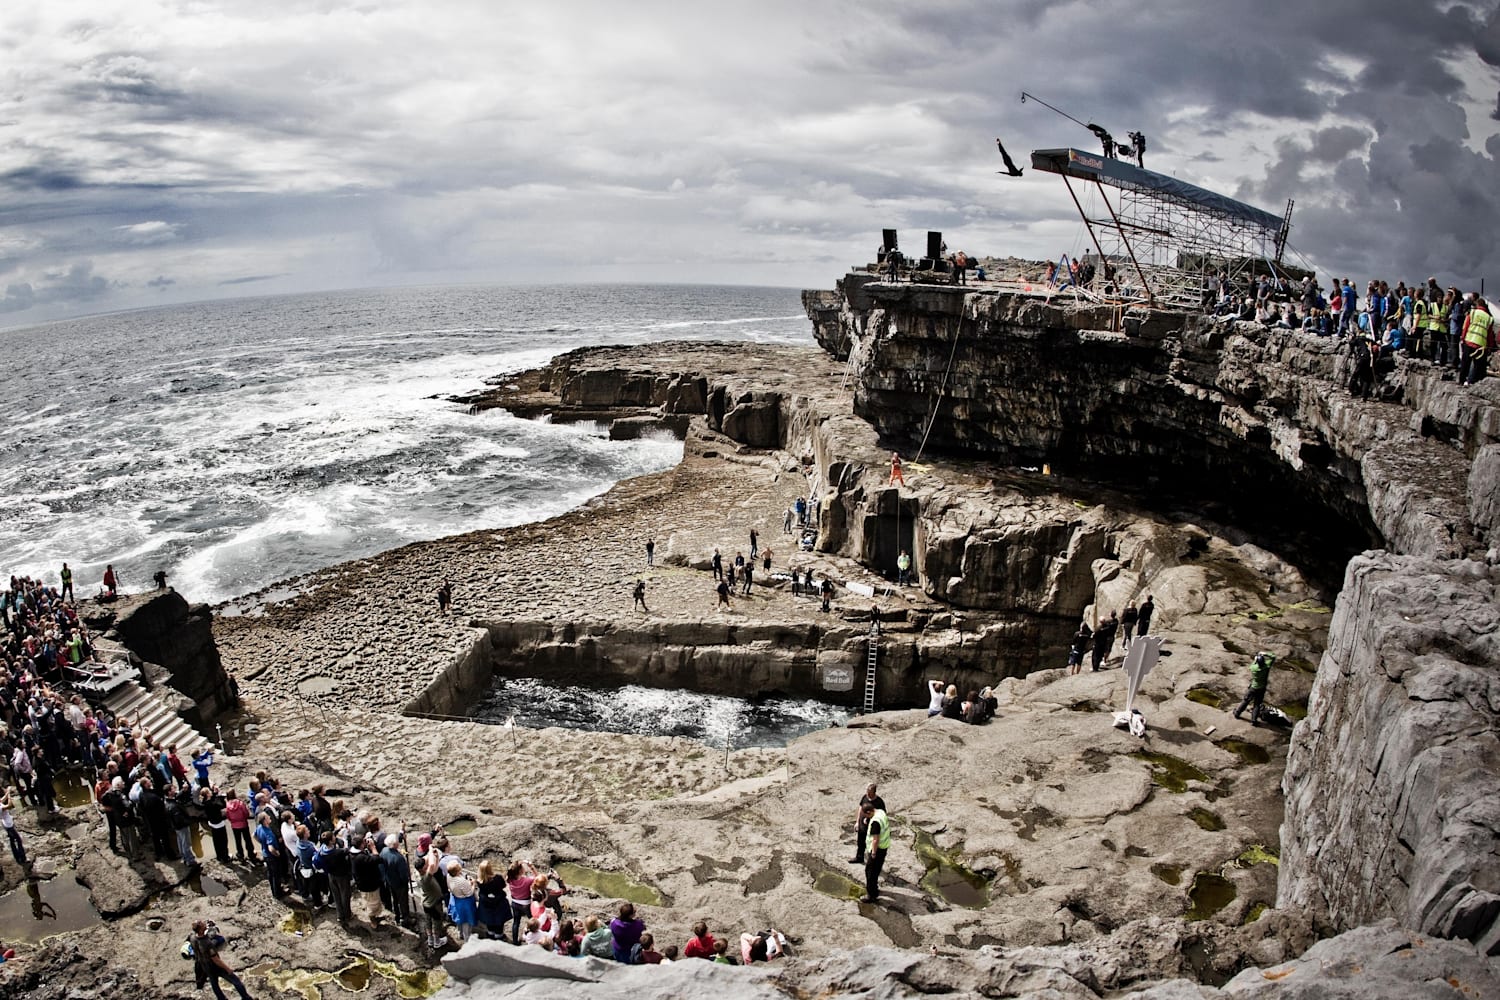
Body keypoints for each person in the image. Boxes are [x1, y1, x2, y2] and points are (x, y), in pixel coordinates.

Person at [189, 920, 252, 1000]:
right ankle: (246, 998)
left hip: (204, 965)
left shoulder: (192, 938)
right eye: (202, 924)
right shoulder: (207, 943)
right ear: (200, 929)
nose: (205, 924)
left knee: (214, 984)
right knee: (236, 981)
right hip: (214, 966)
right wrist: (227, 969)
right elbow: (215, 959)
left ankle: (221, 998)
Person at [1233, 652, 1275, 726]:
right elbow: (1273, 657)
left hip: (1253, 687)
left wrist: (1255, 659)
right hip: (1262, 688)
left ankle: (1237, 713)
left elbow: (1253, 664)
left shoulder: (1253, 668)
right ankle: (1254, 720)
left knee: (1246, 700)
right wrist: (1265, 654)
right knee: (1257, 704)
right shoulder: (1267, 666)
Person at [861, 801, 890, 904]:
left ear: (869, 812)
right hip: (884, 846)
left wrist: (873, 853)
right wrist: (868, 820)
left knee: (870, 872)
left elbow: (875, 839)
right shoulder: (881, 812)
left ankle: (871, 895)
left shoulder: (875, 822)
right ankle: (875, 889)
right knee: (877, 870)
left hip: (878, 849)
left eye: (866, 815)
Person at [381, 833, 412, 927]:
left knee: (394, 899)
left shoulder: (384, 851)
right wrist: (406, 880)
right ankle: (405, 919)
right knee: (403, 902)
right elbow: (403, 874)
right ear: (395, 845)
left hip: (389, 880)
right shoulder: (398, 858)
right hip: (400, 883)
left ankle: (397, 916)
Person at [849, 783, 885, 864]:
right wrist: (857, 822)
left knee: (872, 844)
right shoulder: (865, 797)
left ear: (874, 792)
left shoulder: (879, 802)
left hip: (872, 828)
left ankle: (872, 861)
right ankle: (859, 857)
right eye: (867, 791)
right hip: (862, 826)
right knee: (860, 843)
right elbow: (860, 808)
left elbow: (882, 815)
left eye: (870, 792)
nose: (868, 793)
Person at [1460, 295, 1492, 386]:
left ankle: (1462, 380)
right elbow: (1489, 334)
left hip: (1469, 341)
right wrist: (1489, 346)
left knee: (1465, 363)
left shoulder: (1473, 313)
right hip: (1481, 345)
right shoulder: (1489, 318)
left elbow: (1466, 326)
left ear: (1477, 305)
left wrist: (1463, 337)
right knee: (1477, 365)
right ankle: (1472, 382)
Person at [0, 789, 25, 865]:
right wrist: (9, 797)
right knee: (18, 840)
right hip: (8, 825)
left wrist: (7, 792)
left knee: (12, 841)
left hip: (6, 823)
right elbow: (9, 805)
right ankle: (22, 857)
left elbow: (2, 799)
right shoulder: (1, 808)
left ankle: (17, 857)